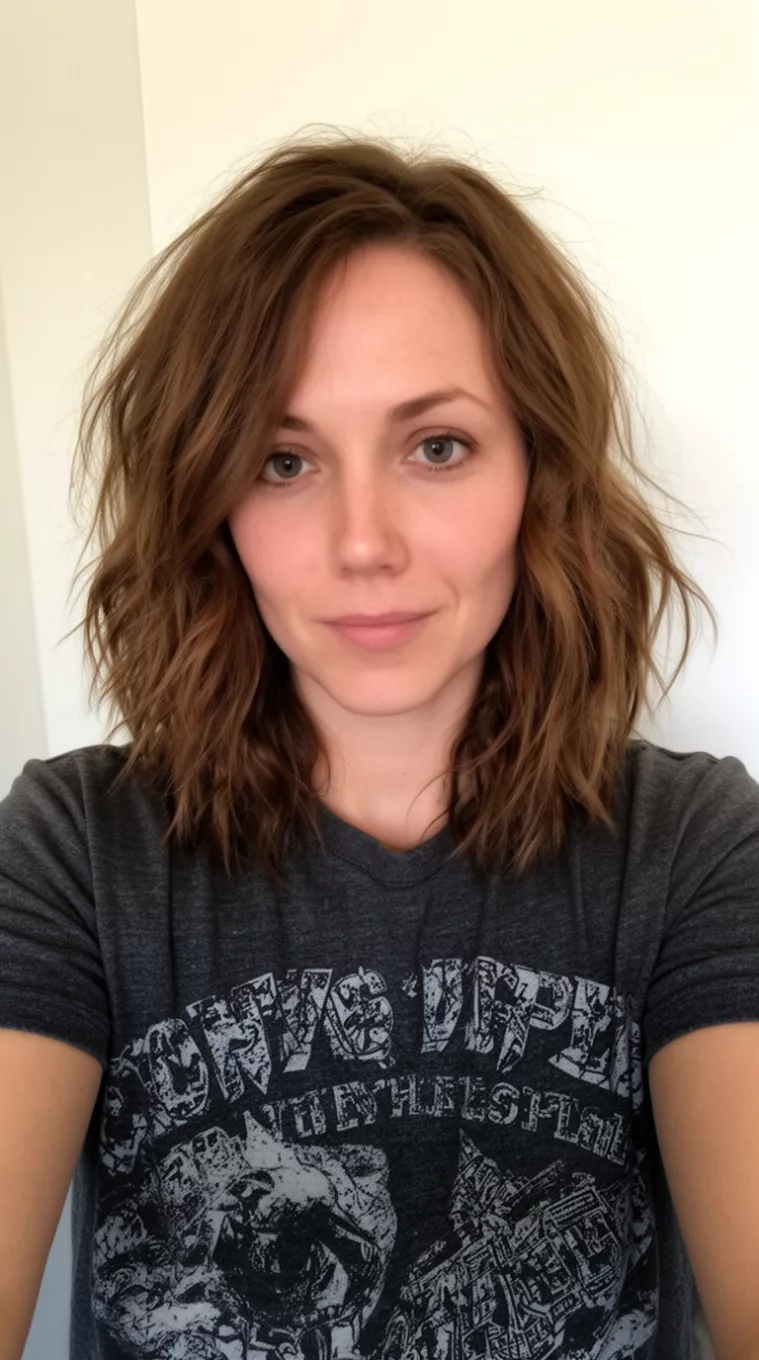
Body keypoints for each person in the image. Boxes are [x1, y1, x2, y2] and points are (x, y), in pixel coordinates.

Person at [0, 130, 757, 1360]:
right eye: (282, 460)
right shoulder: (73, 852)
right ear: (213, 504)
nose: (364, 543)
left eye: (437, 446)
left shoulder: (691, 847)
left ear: (538, 474)